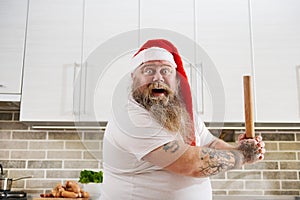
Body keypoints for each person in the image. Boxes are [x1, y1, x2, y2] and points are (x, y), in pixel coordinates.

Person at [101, 39, 265, 200]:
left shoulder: (181, 113)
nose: (158, 78)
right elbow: (191, 164)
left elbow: (210, 144)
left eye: (166, 71)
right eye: (149, 71)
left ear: (176, 79)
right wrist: (242, 156)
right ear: (133, 78)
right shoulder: (131, 120)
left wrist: (240, 149)